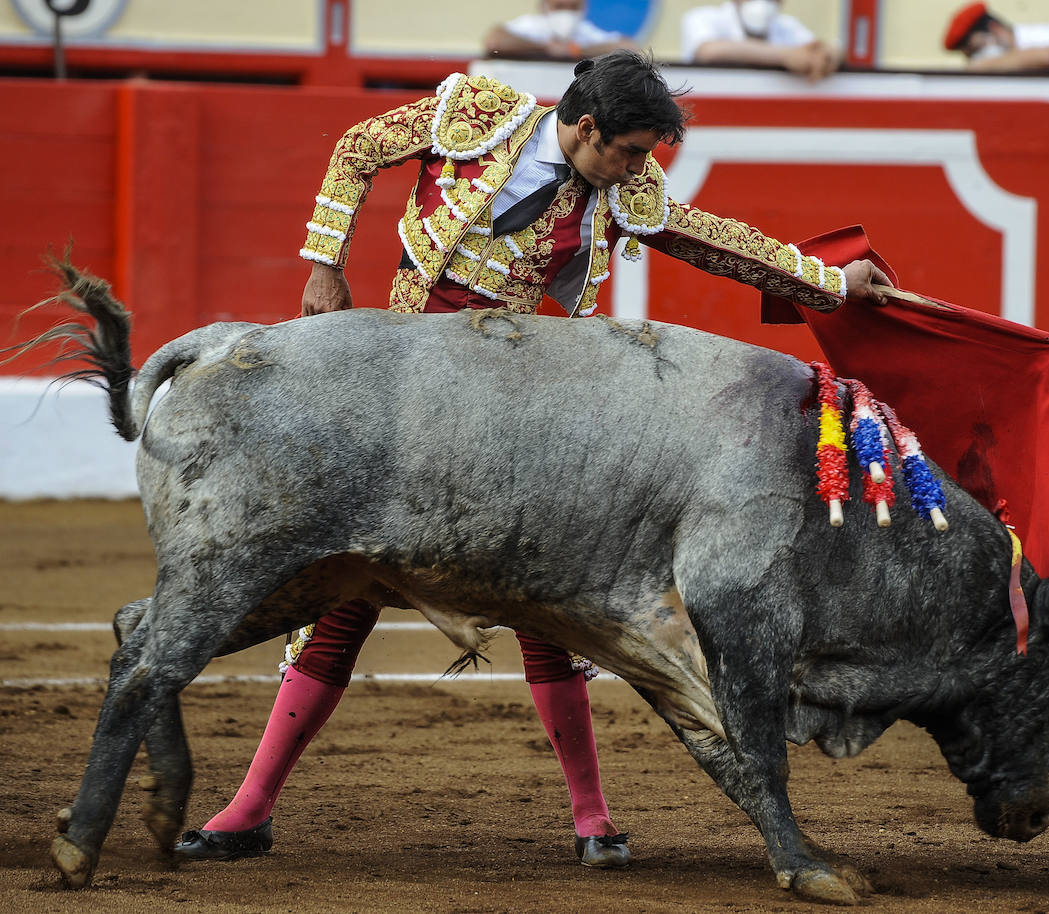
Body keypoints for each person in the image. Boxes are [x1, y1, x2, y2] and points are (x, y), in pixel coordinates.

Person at [172, 50, 889, 871]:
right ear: (587, 128)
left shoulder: (628, 185)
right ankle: (250, 807)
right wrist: (324, 263)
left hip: (513, 416)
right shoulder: (476, 115)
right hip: (400, 395)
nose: (637, 169)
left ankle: (592, 819)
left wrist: (828, 282)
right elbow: (358, 146)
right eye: (628, 151)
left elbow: (710, 241)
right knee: (344, 585)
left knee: (553, 598)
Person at [681, 1, 839, 82]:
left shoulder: (787, 25)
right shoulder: (703, 17)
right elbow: (708, 51)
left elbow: (821, 50)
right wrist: (785, 56)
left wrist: (828, 56)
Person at [942, 2, 1049, 75]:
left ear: (995, 29)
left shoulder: (1045, 36)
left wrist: (983, 66)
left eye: (976, 49)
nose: (977, 59)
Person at [484, 0, 637, 61]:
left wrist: (575, 49)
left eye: (573, 8)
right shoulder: (532, 25)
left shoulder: (585, 30)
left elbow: (630, 48)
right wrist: (545, 48)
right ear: (544, 6)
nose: (566, 13)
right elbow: (495, 41)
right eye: (559, 7)